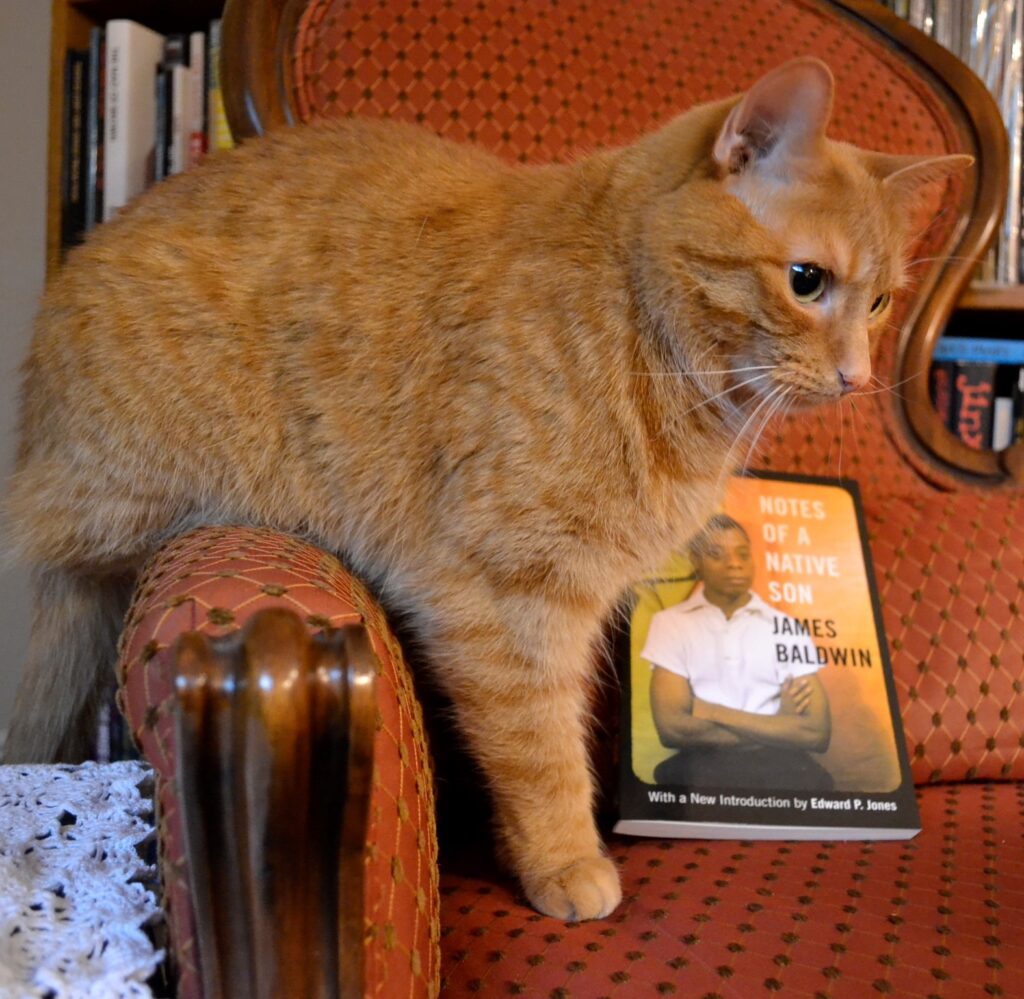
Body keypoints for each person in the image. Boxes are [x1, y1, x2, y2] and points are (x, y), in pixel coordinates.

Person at [643, 514, 834, 790]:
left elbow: (817, 734)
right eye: (716, 555)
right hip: (702, 765)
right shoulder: (670, 623)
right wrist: (780, 725)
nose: (734, 563)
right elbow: (671, 729)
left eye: (743, 554)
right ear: (696, 562)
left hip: (782, 765)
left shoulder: (785, 626)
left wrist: (712, 711)